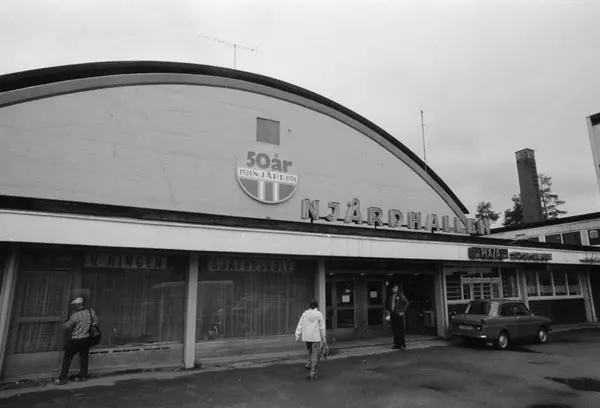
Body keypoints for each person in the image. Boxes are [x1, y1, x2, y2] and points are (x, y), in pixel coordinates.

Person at [54, 297, 99, 385]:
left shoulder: (75, 315)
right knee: (84, 358)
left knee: (67, 357)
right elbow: (95, 322)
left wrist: (61, 323)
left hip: (76, 339)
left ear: (77, 305)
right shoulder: (90, 312)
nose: (74, 307)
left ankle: (62, 378)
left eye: (74, 305)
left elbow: (67, 326)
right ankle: (82, 376)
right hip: (86, 338)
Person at [295, 300, 327, 380]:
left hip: (307, 337)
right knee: (315, 355)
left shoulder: (305, 313)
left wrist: (297, 335)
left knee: (309, 351)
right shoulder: (319, 314)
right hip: (316, 338)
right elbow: (322, 328)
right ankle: (313, 373)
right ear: (317, 306)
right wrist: (324, 339)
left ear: (309, 306)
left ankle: (308, 363)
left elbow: (300, 324)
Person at [387, 283, 410, 350]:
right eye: (394, 288)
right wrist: (389, 312)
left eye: (396, 288)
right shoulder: (390, 296)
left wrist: (403, 311)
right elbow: (389, 304)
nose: (395, 289)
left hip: (399, 314)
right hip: (393, 314)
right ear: (392, 289)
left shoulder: (400, 296)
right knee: (395, 330)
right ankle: (396, 344)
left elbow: (407, 303)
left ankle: (402, 344)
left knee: (400, 330)